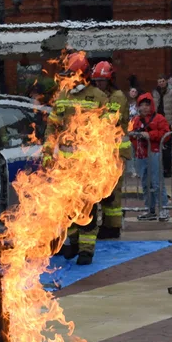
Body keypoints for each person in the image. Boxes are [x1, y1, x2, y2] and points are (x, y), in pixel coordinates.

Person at [45, 53, 107, 265]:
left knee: (87, 207)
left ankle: (86, 250)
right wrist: (47, 152)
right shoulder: (62, 96)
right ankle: (71, 244)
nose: (67, 79)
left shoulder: (98, 97)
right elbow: (52, 127)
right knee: (67, 207)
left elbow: (109, 130)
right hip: (65, 166)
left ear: (82, 76)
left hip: (89, 166)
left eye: (71, 75)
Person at [90, 61, 132, 239]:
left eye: (102, 81)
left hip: (115, 152)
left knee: (113, 192)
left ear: (110, 80)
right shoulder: (100, 96)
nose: (99, 84)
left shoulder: (118, 97)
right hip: (103, 152)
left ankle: (113, 227)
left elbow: (109, 120)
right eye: (97, 81)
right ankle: (107, 224)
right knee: (104, 190)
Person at [130, 93, 171, 220]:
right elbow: (131, 134)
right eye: (141, 105)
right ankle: (150, 209)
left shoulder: (159, 118)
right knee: (145, 183)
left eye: (147, 105)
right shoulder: (136, 120)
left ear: (151, 105)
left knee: (157, 182)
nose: (144, 108)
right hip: (141, 155)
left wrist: (150, 135)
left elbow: (166, 134)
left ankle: (163, 208)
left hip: (153, 153)